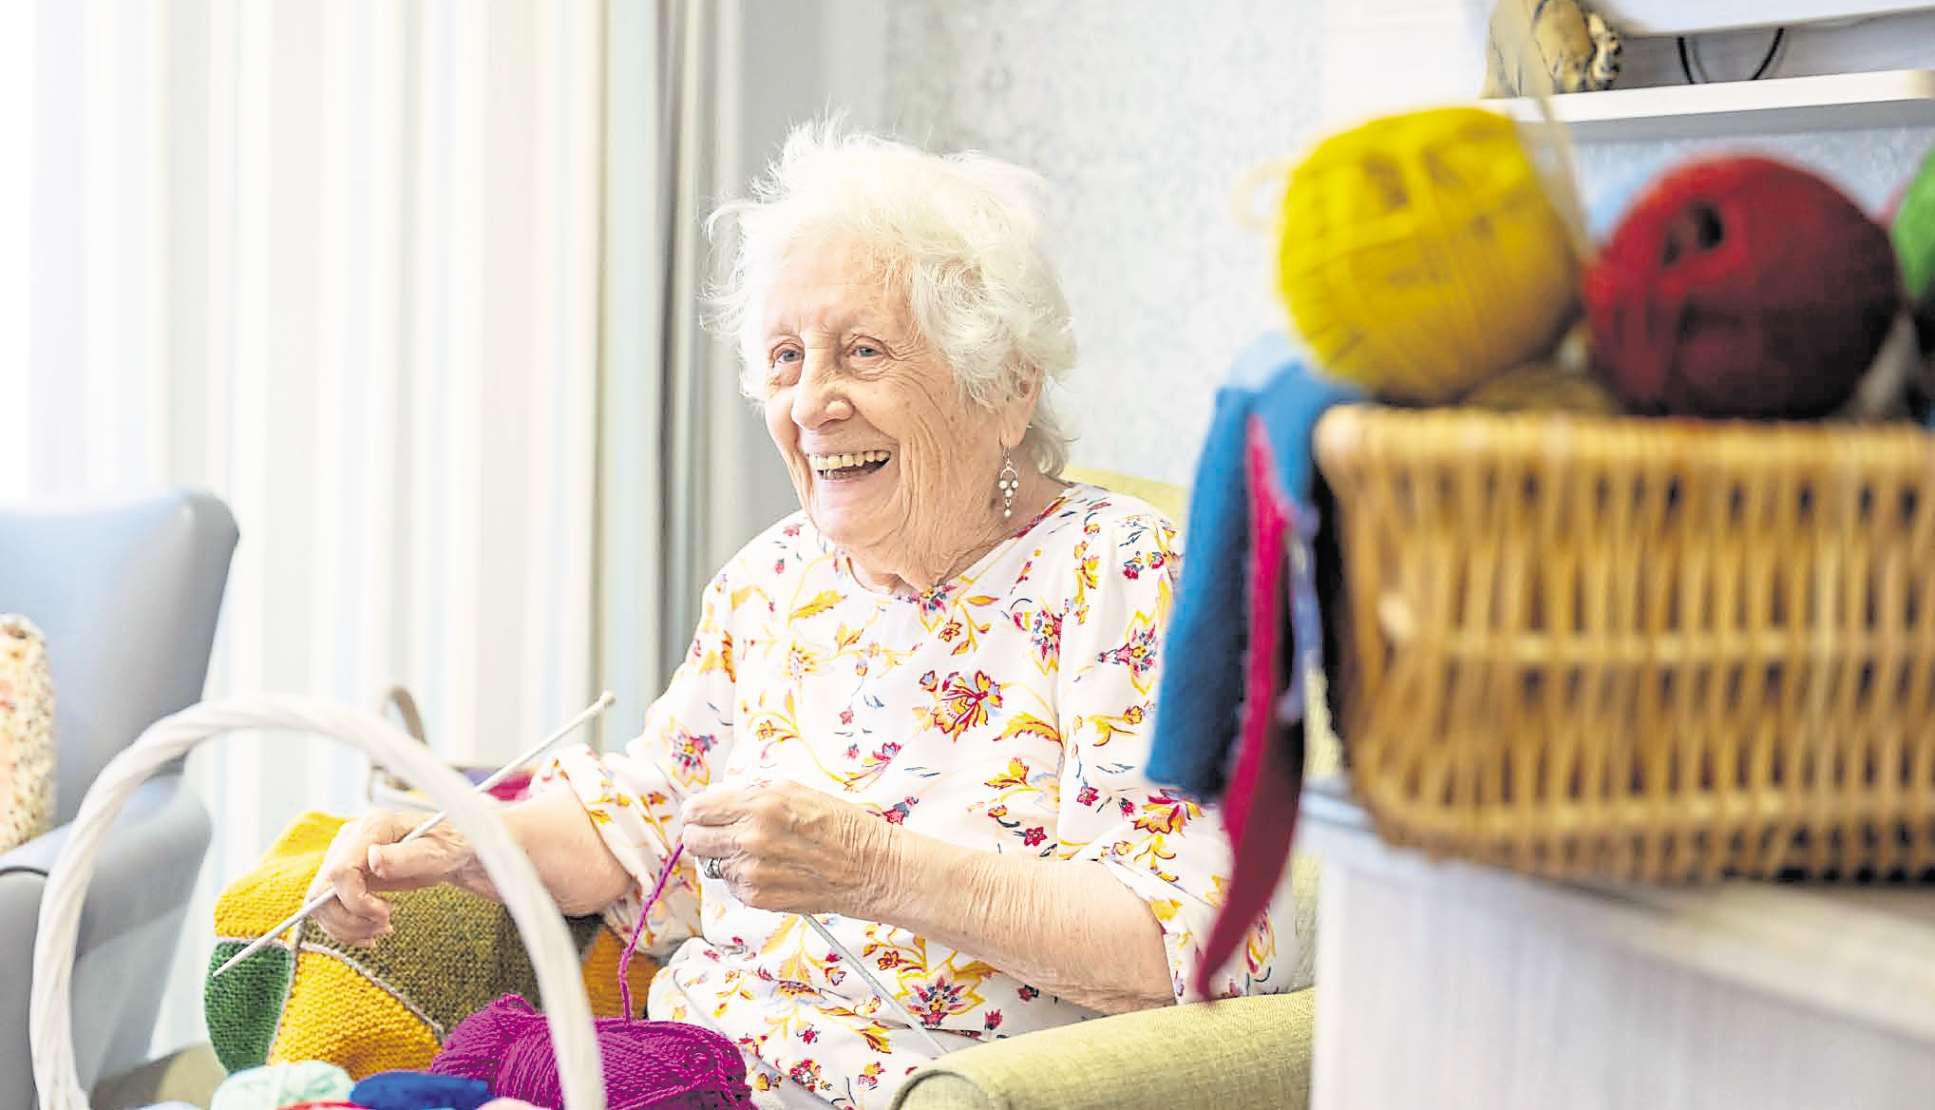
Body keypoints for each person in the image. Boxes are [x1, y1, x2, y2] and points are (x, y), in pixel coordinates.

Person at [312, 123, 1293, 1109]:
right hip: (694, 1068)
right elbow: (653, 821)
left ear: (1004, 389)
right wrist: (463, 840)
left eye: (862, 353)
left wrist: (872, 869)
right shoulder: (777, 575)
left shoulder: (1120, 576)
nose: (812, 403)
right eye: (785, 359)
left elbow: (1188, 940)